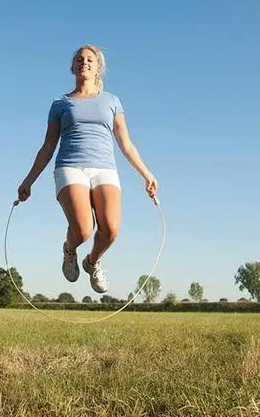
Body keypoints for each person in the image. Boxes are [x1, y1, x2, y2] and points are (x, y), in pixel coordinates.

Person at [17, 44, 158, 294]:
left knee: (111, 229)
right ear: (73, 67)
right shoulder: (60, 104)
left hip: (105, 168)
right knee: (83, 229)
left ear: (98, 69)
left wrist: (146, 174)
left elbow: (125, 143)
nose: (84, 62)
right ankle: (69, 250)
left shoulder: (112, 101)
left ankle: (92, 261)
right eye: (80, 59)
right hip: (70, 167)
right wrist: (28, 181)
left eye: (90, 60)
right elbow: (48, 147)